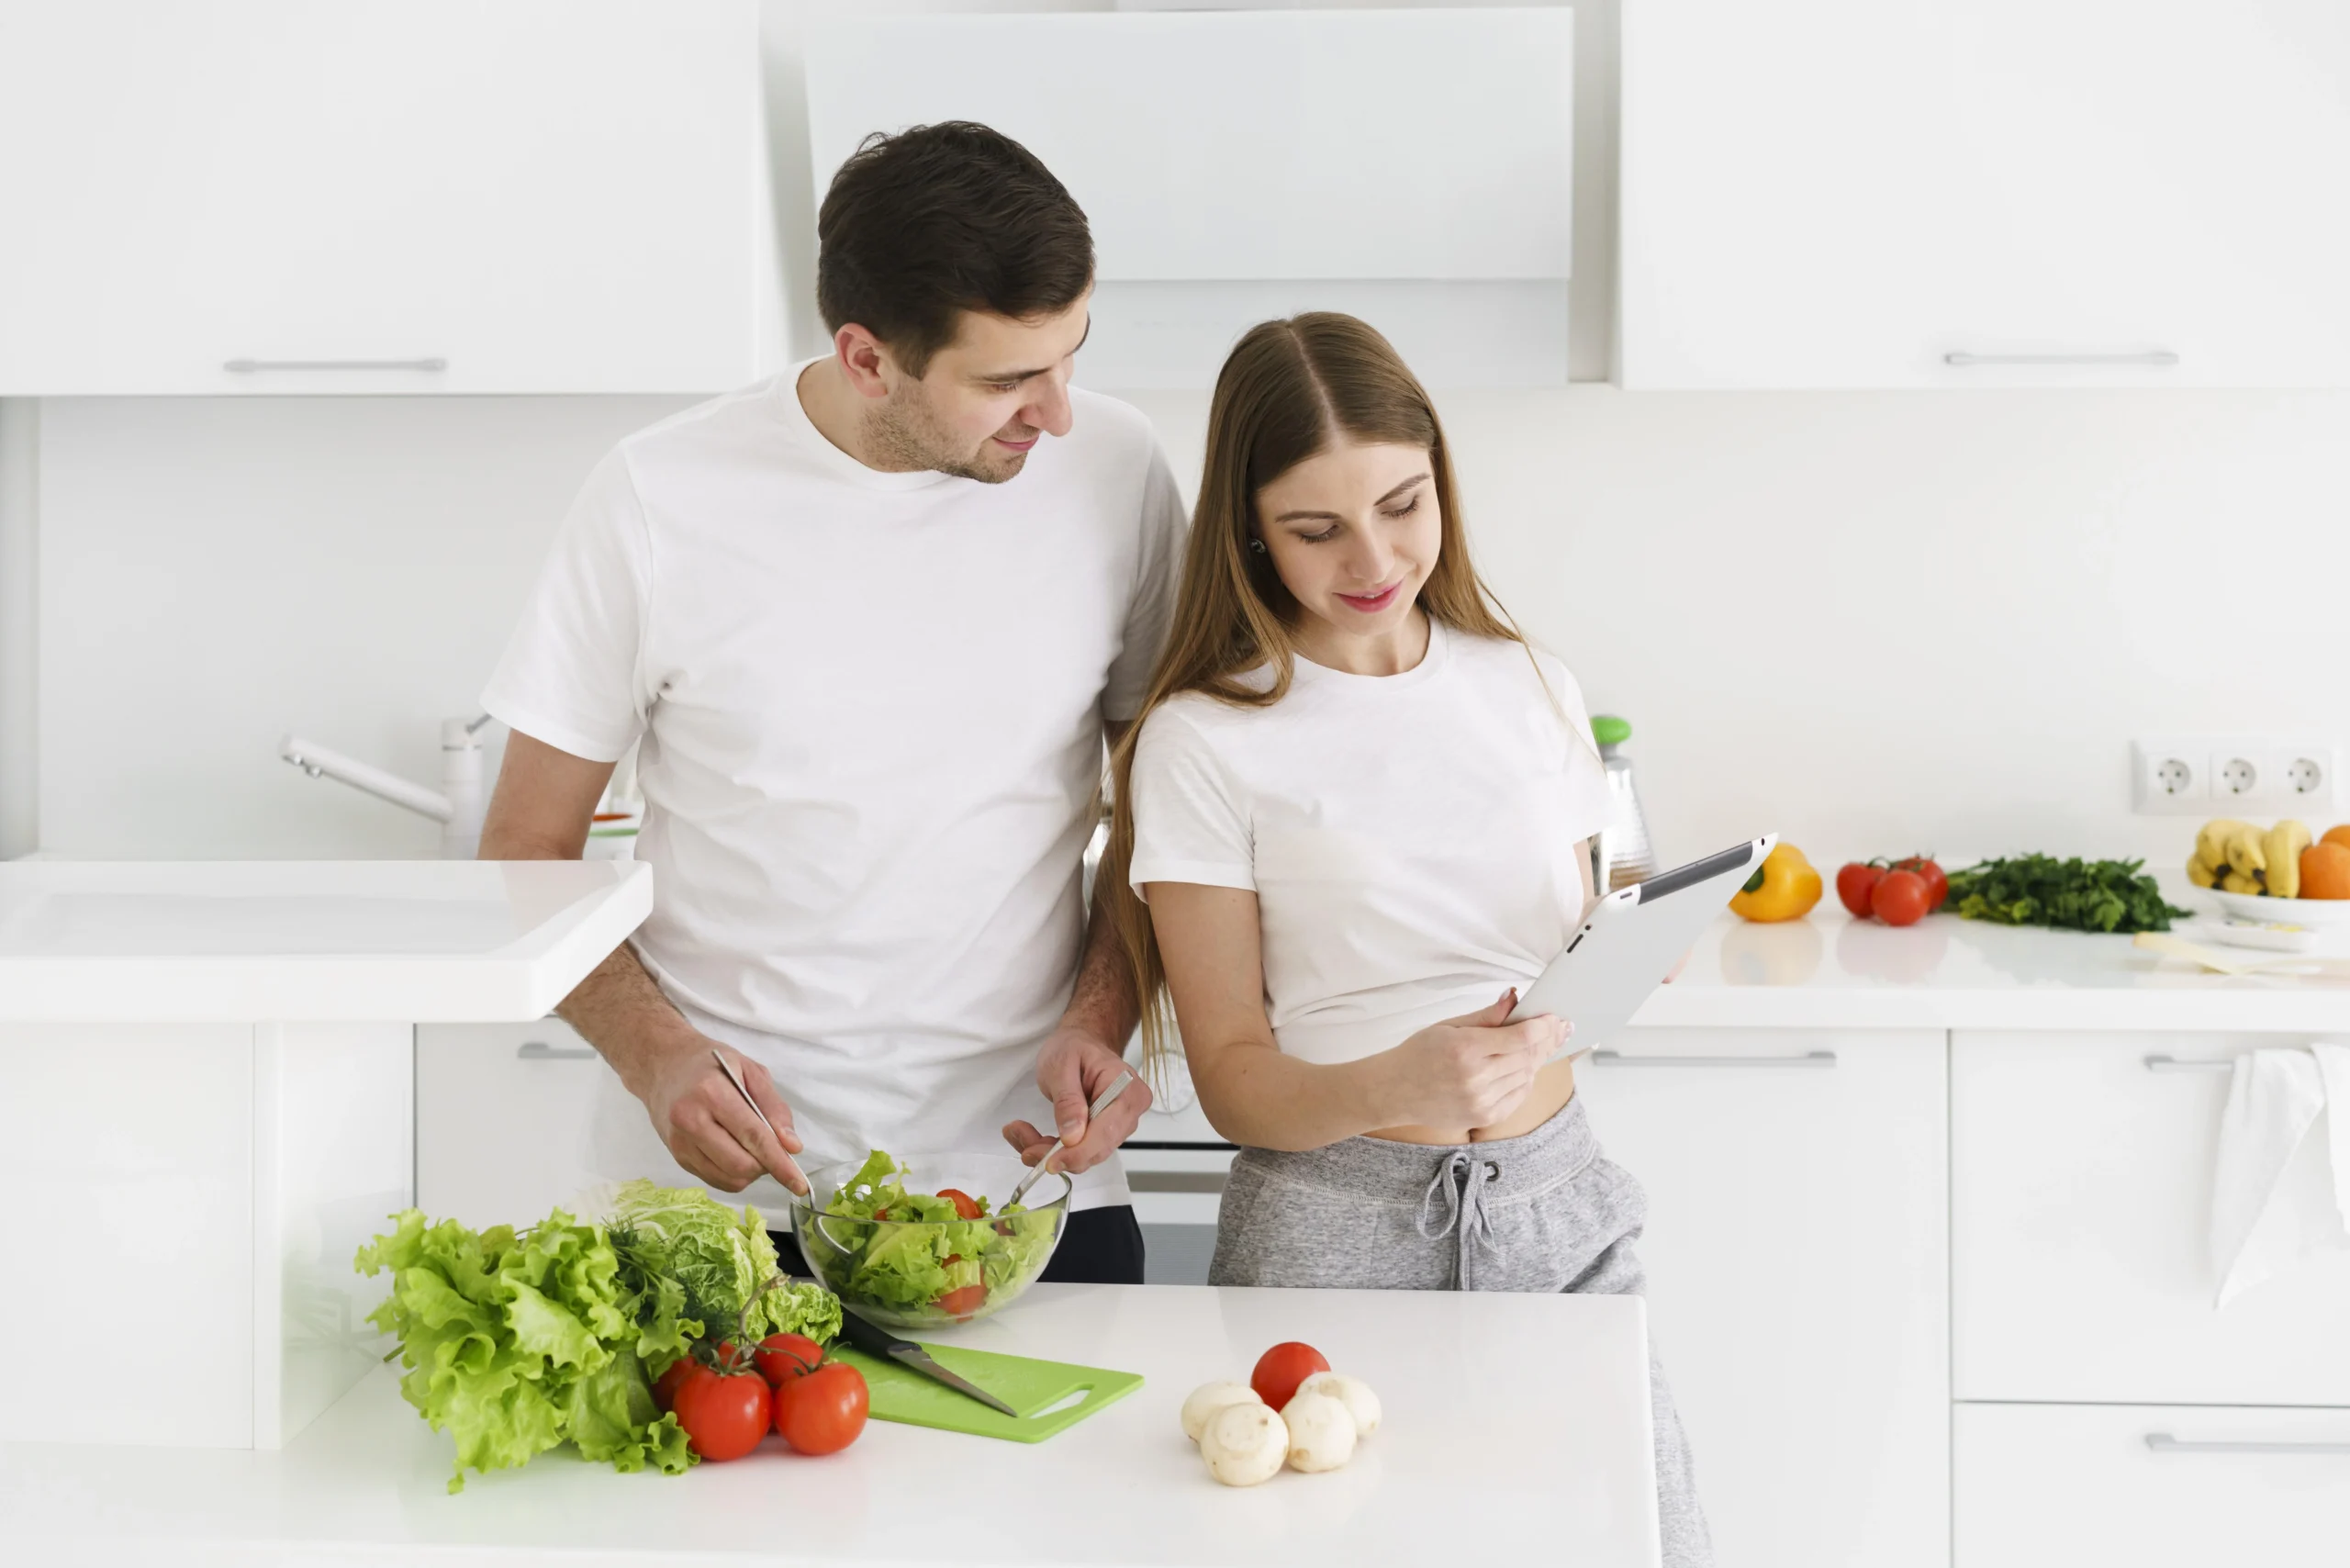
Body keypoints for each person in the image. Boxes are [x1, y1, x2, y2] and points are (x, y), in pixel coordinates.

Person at [476, 122, 1186, 1284]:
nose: (1055, 413)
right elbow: (523, 845)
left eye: (1071, 359)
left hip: (1026, 1189)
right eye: (1007, 380)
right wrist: (658, 1058)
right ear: (867, 359)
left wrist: (1098, 1019)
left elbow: (1164, 811)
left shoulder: (1116, 467)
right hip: (728, 1205)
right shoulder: (659, 496)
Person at [1104, 313, 1713, 1562]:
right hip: (1336, 1231)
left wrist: (1636, 950)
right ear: (1251, 534)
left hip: (1558, 1204)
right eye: (1316, 529)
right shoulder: (1206, 740)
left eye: (1403, 503)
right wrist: (1402, 1079)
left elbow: (1595, 922)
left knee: (1647, 1539)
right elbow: (1232, 1077)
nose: (1373, 557)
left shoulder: (1529, 681)